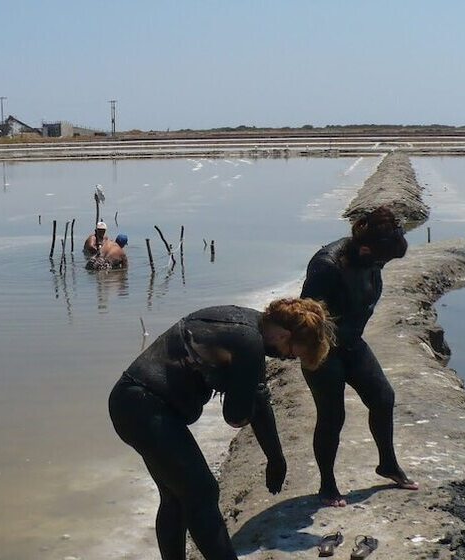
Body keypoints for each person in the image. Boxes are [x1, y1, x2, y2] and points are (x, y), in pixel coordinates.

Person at [109, 298, 334, 560]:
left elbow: (258, 399)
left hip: (131, 402)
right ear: (284, 334)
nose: (286, 357)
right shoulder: (248, 341)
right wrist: (239, 386)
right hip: (145, 408)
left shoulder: (249, 324)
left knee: (176, 497)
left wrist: (275, 457)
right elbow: (235, 417)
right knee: (203, 492)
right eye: (291, 351)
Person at [299, 206, 417, 508]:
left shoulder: (372, 257)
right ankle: (327, 484)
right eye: (383, 260)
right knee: (332, 416)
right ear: (365, 250)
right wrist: (317, 353)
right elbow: (304, 319)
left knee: (383, 398)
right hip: (323, 349)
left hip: (352, 342)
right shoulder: (328, 265)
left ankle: (388, 464)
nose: (383, 265)